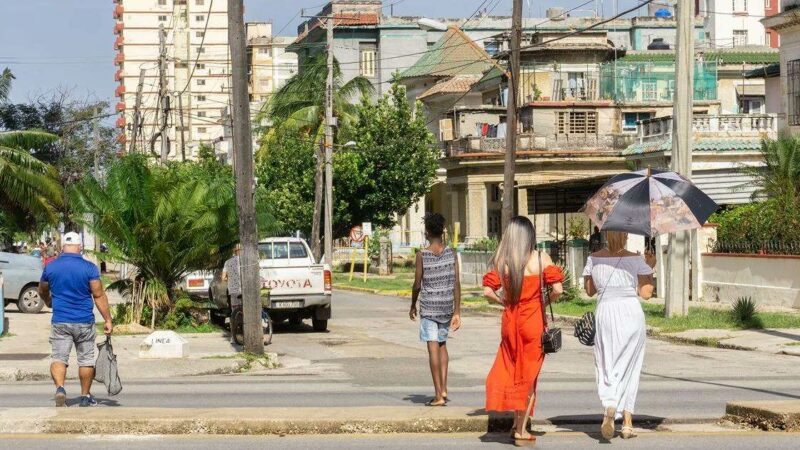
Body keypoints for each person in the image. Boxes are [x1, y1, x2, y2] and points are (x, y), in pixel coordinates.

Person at [482, 216, 564, 445]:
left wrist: (505, 303)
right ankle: (521, 430)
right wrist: (543, 303)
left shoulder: (503, 259)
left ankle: (515, 424)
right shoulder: (540, 257)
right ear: (530, 235)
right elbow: (558, 289)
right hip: (532, 321)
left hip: (510, 321)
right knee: (529, 377)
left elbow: (488, 292)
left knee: (513, 370)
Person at [583, 230, 654, 440]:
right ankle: (628, 425)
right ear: (625, 235)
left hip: (606, 312)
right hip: (630, 313)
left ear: (606, 233)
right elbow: (646, 294)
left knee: (607, 363)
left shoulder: (594, 258)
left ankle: (610, 404)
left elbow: (589, 291)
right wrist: (650, 266)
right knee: (630, 367)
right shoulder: (636, 258)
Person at [38, 232, 113, 407]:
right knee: (86, 359)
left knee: (59, 357)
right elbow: (98, 294)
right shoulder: (89, 268)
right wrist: (108, 319)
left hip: (60, 321)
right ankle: (85, 396)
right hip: (84, 321)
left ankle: (60, 388)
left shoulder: (51, 267)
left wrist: (49, 301)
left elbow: (42, 289)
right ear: (79, 247)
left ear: (63, 246)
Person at [410, 212, 461, 407]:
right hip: (446, 306)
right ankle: (444, 388)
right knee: (442, 345)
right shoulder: (452, 253)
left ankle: (438, 395)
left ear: (428, 232)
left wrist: (412, 305)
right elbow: (456, 283)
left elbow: (417, 284)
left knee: (432, 348)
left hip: (430, 308)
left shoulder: (422, 255)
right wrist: (457, 311)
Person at [222, 243, 242, 344]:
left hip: (233, 291)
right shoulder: (246, 261)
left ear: (234, 251)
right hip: (245, 290)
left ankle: (233, 337)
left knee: (234, 313)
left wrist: (230, 278)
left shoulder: (227, 262)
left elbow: (223, 278)